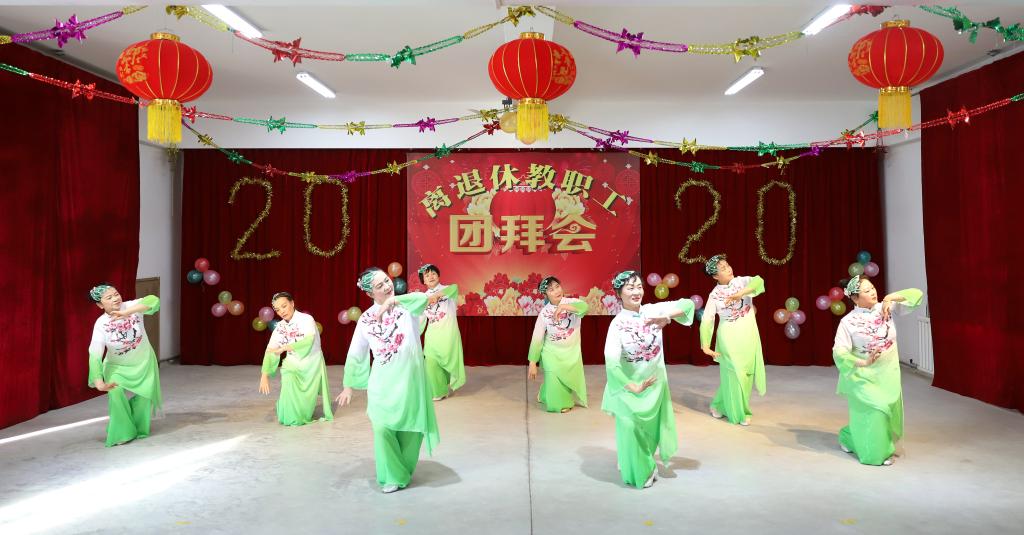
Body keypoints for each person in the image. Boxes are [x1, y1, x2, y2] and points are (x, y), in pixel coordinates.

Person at [337, 267, 439, 493]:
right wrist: (348, 386)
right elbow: (356, 352)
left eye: (386, 280)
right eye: (379, 285)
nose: (386, 286)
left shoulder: (407, 305)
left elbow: (425, 298)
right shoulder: (366, 319)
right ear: (369, 293)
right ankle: (392, 475)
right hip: (382, 383)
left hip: (410, 380)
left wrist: (392, 302)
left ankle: (403, 470)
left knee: (412, 430)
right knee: (382, 427)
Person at [602, 271, 694, 488]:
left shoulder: (653, 311)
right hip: (628, 387)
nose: (636, 292)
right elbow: (611, 362)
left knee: (650, 432)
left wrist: (667, 317)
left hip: (654, 386)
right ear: (619, 293)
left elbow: (689, 304)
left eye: (639, 287)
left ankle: (640, 456)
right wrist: (631, 385)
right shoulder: (617, 324)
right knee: (629, 426)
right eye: (630, 288)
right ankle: (641, 467)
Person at [833, 275, 923, 466]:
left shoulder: (886, 307)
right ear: (855, 298)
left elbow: (917, 295)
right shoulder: (848, 322)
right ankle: (877, 455)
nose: (873, 292)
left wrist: (890, 297)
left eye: (872, 287)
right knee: (877, 409)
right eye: (867, 291)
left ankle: (848, 437)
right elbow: (839, 352)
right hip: (861, 375)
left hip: (887, 372)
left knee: (884, 410)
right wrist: (863, 362)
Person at [87, 283, 162, 447]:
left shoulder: (131, 306)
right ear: (100, 305)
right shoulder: (101, 324)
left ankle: (137, 426)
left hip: (143, 362)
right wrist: (99, 381)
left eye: (116, 294)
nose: (115, 298)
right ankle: (123, 432)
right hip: (117, 366)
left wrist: (126, 312)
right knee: (115, 392)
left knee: (145, 397)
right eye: (109, 297)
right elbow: (95, 353)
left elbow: (154, 300)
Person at [699, 254, 766, 426]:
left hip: (748, 332)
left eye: (727, 265)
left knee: (745, 373)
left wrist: (741, 294)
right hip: (728, 335)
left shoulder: (742, 282)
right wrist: (705, 344)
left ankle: (718, 405)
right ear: (715, 276)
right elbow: (707, 319)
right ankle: (741, 413)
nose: (728, 269)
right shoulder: (714, 295)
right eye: (723, 268)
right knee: (735, 372)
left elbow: (759, 281)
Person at [258, 292, 333, 426]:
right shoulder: (280, 327)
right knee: (288, 383)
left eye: (284, 306)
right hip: (292, 362)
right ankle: (290, 415)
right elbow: (271, 349)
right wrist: (265, 375)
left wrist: (285, 347)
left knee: (305, 404)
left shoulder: (306, 319)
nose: (282, 311)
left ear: (292, 303)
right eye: (278, 309)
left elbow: (308, 341)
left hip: (311, 363)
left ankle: (302, 412)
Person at [527, 276, 589, 413]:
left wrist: (563, 307)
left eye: (557, 287)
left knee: (563, 380)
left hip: (571, 352)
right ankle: (560, 403)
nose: (556, 291)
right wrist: (532, 362)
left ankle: (544, 393)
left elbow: (585, 308)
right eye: (551, 290)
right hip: (551, 352)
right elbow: (537, 337)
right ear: (545, 295)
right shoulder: (544, 313)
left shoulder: (572, 302)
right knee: (553, 376)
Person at [418, 264, 465, 401]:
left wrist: (436, 296)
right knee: (431, 361)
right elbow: (420, 319)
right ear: (423, 281)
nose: (431, 277)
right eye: (427, 275)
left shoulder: (448, 289)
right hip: (432, 334)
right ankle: (439, 391)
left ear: (438, 276)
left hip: (448, 333)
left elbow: (454, 288)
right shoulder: (423, 298)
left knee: (447, 360)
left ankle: (445, 382)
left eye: (433, 273)